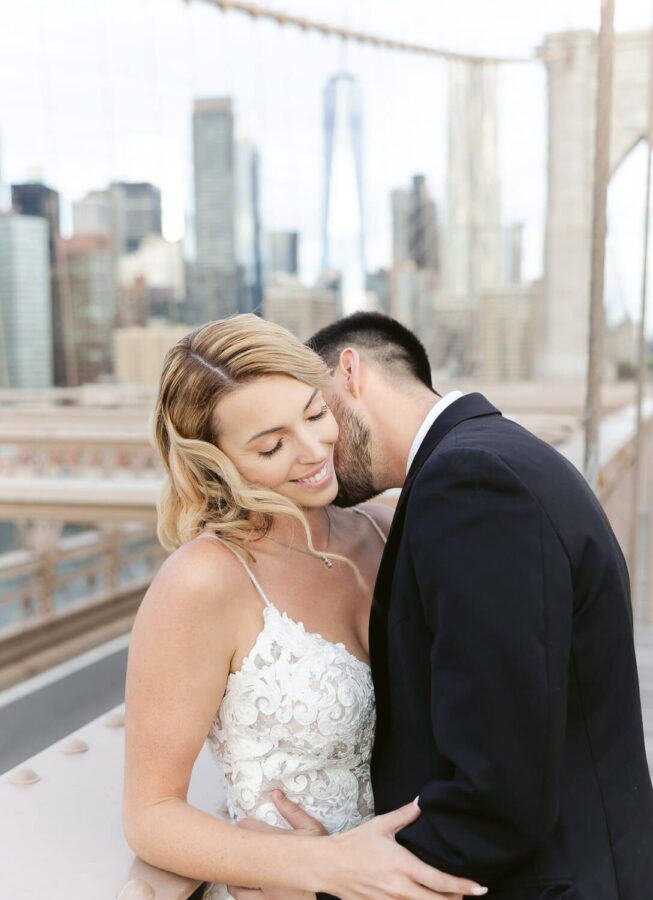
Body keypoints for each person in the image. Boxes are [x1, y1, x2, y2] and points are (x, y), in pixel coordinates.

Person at [122, 314, 488, 900]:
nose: (314, 450)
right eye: (271, 445)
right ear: (216, 462)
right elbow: (151, 814)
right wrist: (313, 865)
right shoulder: (203, 582)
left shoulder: (386, 526)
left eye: (316, 414)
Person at [303, 311, 653, 900]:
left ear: (351, 371)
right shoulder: (499, 452)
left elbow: (501, 791)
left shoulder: (468, 482)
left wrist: (331, 883)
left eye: (315, 413)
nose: (311, 445)